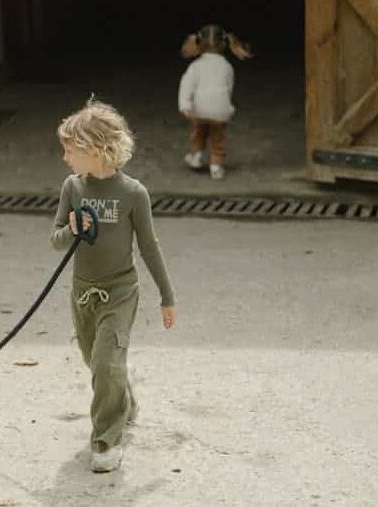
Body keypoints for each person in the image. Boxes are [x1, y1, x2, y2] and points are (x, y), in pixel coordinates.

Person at [51, 98, 177, 473]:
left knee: (106, 362)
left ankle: (106, 439)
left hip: (120, 292)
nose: (65, 158)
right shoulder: (72, 188)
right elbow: (55, 240)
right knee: (97, 363)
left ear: (96, 150)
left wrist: (167, 297)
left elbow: (150, 248)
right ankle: (123, 398)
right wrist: (71, 228)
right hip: (82, 292)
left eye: (70, 150)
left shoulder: (133, 193)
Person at [178, 24, 253, 180]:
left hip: (199, 109)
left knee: (198, 133)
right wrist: (226, 107)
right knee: (218, 138)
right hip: (221, 110)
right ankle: (216, 167)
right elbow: (229, 88)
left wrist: (185, 105)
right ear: (225, 44)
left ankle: (196, 156)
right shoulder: (227, 66)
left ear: (198, 43)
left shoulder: (196, 66)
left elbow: (186, 85)